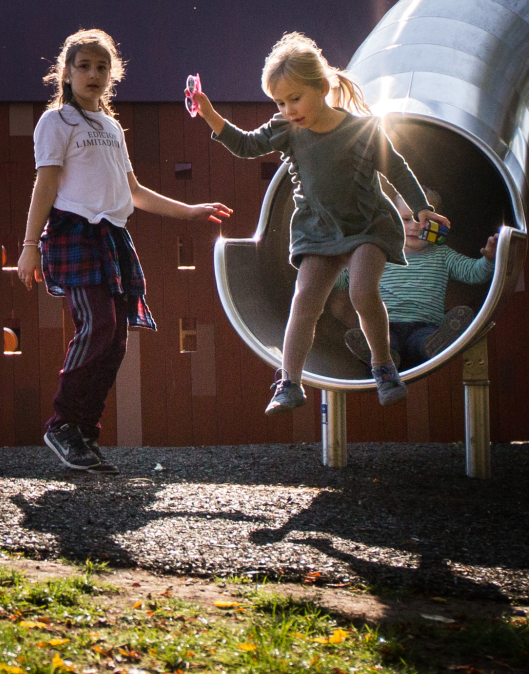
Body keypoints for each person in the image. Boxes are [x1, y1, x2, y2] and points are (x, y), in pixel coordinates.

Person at [19, 28, 232, 474]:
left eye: (102, 67)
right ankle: (61, 424)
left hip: (113, 236)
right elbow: (45, 184)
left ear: (112, 75)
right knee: (97, 323)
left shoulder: (112, 128)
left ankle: (82, 431)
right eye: (84, 66)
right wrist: (29, 246)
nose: (93, 74)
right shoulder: (56, 123)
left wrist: (189, 211)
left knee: (115, 337)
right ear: (67, 72)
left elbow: (133, 191)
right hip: (75, 232)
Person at [191, 30, 439, 411]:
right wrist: (209, 113)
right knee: (304, 301)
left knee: (361, 292)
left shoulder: (362, 129)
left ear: (321, 87)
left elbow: (398, 169)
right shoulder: (286, 129)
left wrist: (420, 206)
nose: (289, 109)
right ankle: (289, 382)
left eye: (295, 98)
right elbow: (245, 145)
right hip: (317, 229)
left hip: (366, 226)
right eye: (279, 102)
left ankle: (384, 366)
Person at [344, 206, 501, 371]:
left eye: (425, 221)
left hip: (425, 325)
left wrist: (489, 259)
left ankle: (434, 346)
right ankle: (382, 355)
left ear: (440, 226)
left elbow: (473, 273)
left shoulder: (442, 255)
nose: (415, 226)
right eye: (406, 219)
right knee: (384, 340)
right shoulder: (380, 253)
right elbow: (348, 276)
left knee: (423, 341)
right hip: (385, 324)